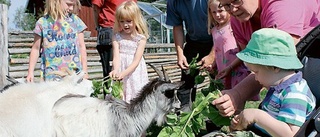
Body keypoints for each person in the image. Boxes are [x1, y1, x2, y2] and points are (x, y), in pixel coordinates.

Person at [212, 0, 320, 117]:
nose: (233, 10)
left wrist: (239, 94)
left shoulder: (283, 7)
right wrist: (236, 95)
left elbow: (275, 62)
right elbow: (254, 65)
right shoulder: (238, 20)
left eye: (237, 1)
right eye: (227, 5)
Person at [230, 28, 316, 136]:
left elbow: (290, 134)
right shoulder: (278, 87)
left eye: (256, 72)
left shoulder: (295, 94)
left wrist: (257, 116)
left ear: (275, 67)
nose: (255, 78)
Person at [166, 0, 215, 110]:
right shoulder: (173, 2)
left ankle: (215, 121)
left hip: (216, 40)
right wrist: (180, 54)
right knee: (186, 82)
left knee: (217, 81)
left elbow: (223, 24)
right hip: (193, 43)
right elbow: (177, 26)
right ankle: (184, 117)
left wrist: (212, 55)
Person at [26, 0, 88, 82]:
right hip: (51, 75)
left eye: (73, 5)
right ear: (56, 2)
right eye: (69, 5)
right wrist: (30, 72)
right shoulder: (43, 23)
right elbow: (35, 49)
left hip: (74, 75)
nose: (71, 8)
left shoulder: (76, 22)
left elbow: (81, 46)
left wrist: (85, 71)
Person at [108, 1, 149, 103]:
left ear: (136, 20)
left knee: (135, 95)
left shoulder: (140, 39)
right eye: (122, 21)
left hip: (134, 72)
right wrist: (116, 70)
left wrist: (124, 73)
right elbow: (116, 56)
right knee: (119, 94)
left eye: (128, 21)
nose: (125, 25)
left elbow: (136, 61)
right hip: (121, 67)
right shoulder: (117, 37)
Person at [207, 0, 250, 91]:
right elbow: (218, 51)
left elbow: (243, 50)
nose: (217, 15)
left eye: (220, 11)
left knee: (238, 95)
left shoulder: (233, 26)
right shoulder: (214, 30)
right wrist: (213, 65)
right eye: (214, 12)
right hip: (223, 70)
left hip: (236, 69)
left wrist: (230, 67)